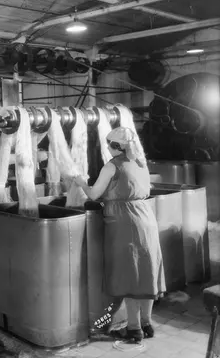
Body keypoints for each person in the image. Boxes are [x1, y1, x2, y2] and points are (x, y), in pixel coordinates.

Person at [73, 126, 165, 343]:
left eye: (108, 144)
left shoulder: (112, 166)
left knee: (130, 273)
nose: (107, 148)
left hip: (124, 221)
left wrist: (80, 182)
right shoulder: (140, 162)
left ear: (115, 146)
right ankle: (146, 323)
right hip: (145, 217)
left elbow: (94, 194)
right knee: (146, 271)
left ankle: (133, 329)